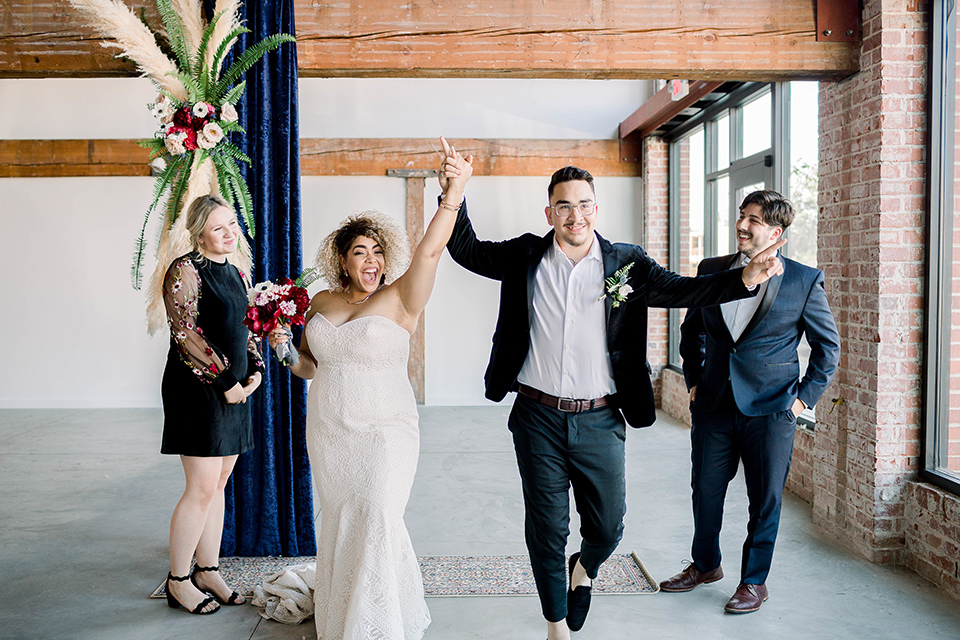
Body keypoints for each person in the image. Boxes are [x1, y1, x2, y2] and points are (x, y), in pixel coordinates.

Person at [444, 166, 785, 639]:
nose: (575, 215)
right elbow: (466, 250)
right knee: (546, 527)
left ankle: (584, 567)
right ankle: (555, 624)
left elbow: (686, 289)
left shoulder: (627, 263)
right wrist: (455, 192)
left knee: (607, 528)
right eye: (564, 205)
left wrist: (742, 279)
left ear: (596, 210)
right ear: (550, 212)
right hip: (537, 415)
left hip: (602, 417)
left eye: (584, 205)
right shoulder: (526, 254)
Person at [269, 137, 472, 640]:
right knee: (343, 519)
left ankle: (379, 624)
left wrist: (453, 194)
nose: (372, 260)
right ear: (342, 259)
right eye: (361, 252)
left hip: (386, 430)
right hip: (331, 431)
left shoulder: (403, 297)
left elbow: (430, 249)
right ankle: (344, 617)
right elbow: (310, 366)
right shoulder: (319, 301)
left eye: (378, 251)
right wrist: (282, 350)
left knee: (379, 513)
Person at [659, 190, 840, 613]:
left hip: (773, 410)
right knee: (704, 491)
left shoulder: (803, 279)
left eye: (753, 219)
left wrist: (800, 403)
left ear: (775, 232)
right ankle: (705, 565)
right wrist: (693, 381)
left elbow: (827, 348)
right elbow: (692, 333)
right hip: (714, 404)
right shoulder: (711, 269)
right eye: (741, 215)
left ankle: (754, 581)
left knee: (766, 499)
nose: (742, 224)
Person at [160, 194, 264, 614]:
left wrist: (255, 369)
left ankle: (207, 570)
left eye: (232, 224)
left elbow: (248, 326)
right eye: (219, 227)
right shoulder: (185, 270)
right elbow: (186, 335)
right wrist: (226, 382)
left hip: (235, 390)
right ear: (199, 232)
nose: (229, 233)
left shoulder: (236, 272)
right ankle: (178, 580)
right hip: (198, 391)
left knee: (219, 483)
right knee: (200, 487)